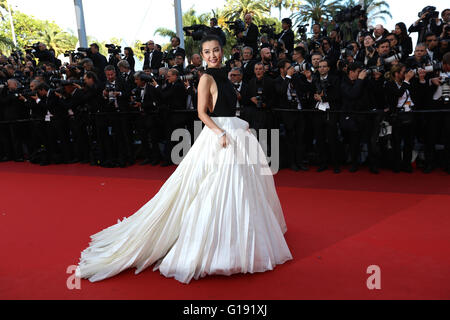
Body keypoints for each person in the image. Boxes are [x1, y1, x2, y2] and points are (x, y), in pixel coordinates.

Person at [75, 34, 292, 284]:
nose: (212, 55)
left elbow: (230, 105)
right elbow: (201, 113)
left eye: (216, 50)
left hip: (236, 134)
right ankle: (216, 245)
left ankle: (242, 239)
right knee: (215, 189)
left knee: (241, 189)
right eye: (207, 51)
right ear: (202, 54)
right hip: (219, 136)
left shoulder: (228, 76)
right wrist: (220, 131)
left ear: (223, 51)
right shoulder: (206, 78)